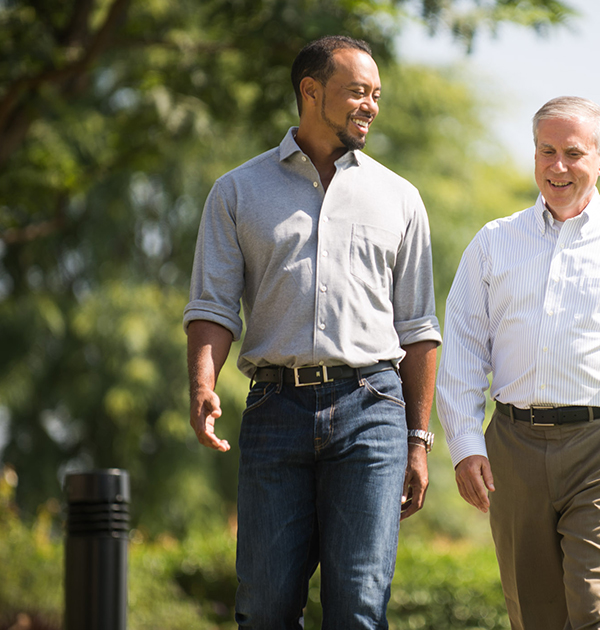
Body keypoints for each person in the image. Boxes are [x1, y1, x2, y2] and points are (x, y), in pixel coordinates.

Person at [183, 35, 441, 629]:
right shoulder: (238, 191)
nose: (370, 106)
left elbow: (419, 328)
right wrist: (202, 384)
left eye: (376, 95)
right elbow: (213, 306)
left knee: (357, 608)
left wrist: (418, 439)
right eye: (357, 92)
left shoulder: (399, 197)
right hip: (276, 409)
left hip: (372, 408)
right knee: (266, 608)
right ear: (311, 91)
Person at [436, 96, 600, 630]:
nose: (557, 167)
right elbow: (462, 351)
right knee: (534, 617)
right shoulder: (492, 243)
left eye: (572, 153)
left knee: (594, 607)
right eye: (545, 151)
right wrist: (465, 445)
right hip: (514, 444)